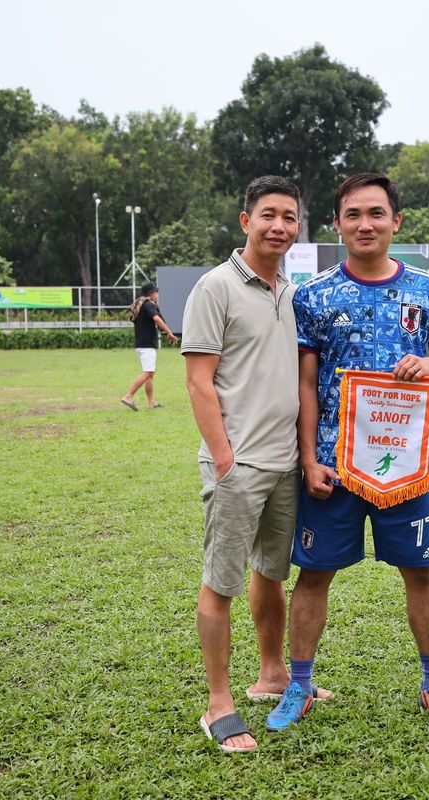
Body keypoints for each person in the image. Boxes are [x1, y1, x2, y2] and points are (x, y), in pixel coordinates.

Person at [267, 173, 429, 732]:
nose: (365, 224)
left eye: (376, 213)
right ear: (336, 223)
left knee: (421, 572)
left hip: (406, 463)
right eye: (353, 214)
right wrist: (309, 459)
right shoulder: (314, 295)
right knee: (313, 575)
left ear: (396, 221)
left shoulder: (426, 291)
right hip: (333, 464)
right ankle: (299, 686)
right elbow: (305, 385)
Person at [182, 176, 330, 754]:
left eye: (289, 217)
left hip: (286, 464)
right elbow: (198, 381)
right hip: (238, 465)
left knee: (271, 573)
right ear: (246, 221)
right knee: (221, 582)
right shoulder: (215, 287)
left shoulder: (292, 292)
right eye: (268, 215)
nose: (279, 226)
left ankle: (272, 675)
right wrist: (225, 458)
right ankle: (219, 704)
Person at [121, 283, 177, 410]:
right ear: (151, 293)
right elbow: (157, 319)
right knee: (148, 373)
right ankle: (128, 396)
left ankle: (152, 402)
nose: (157, 295)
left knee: (150, 374)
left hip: (141, 344)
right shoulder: (148, 305)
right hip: (147, 345)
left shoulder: (140, 305)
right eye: (155, 292)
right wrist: (169, 332)